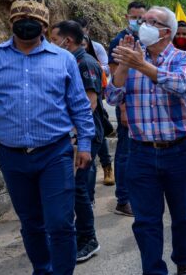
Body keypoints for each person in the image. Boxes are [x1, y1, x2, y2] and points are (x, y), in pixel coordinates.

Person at [0, 0, 94, 274]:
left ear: (44, 26)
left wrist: (86, 143)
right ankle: (42, 268)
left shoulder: (63, 59)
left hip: (55, 153)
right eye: (21, 18)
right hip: (14, 158)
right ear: (11, 22)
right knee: (31, 223)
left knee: (60, 222)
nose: (27, 24)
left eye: (35, 21)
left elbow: (79, 104)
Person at [105, 6, 186, 275]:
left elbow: (182, 86)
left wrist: (141, 66)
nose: (142, 25)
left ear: (166, 32)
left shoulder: (182, 58)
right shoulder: (131, 59)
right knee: (146, 221)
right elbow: (112, 97)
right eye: (141, 21)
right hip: (142, 152)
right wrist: (124, 66)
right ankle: (153, 270)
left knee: (182, 215)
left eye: (151, 22)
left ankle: (183, 259)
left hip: (180, 150)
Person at [49, 20, 104, 263]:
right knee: (74, 188)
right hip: (75, 135)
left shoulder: (85, 63)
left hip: (85, 135)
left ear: (67, 41)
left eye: (53, 40)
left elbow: (89, 105)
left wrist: (75, 137)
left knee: (79, 188)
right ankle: (75, 234)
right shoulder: (70, 61)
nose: (51, 45)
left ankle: (88, 239)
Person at [107, 1, 147, 217]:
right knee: (125, 152)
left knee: (137, 151)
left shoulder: (146, 39)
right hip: (126, 104)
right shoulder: (119, 41)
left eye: (142, 18)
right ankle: (123, 199)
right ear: (127, 17)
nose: (138, 22)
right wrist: (122, 110)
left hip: (142, 105)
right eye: (135, 17)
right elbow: (116, 80)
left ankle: (134, 193)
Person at [75, 17, 115, 187]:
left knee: (98, 131)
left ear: (87, 30)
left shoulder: (95, 48)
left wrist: (93, 66)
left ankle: (106, 166)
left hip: (95, 89)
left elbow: (107, 67)